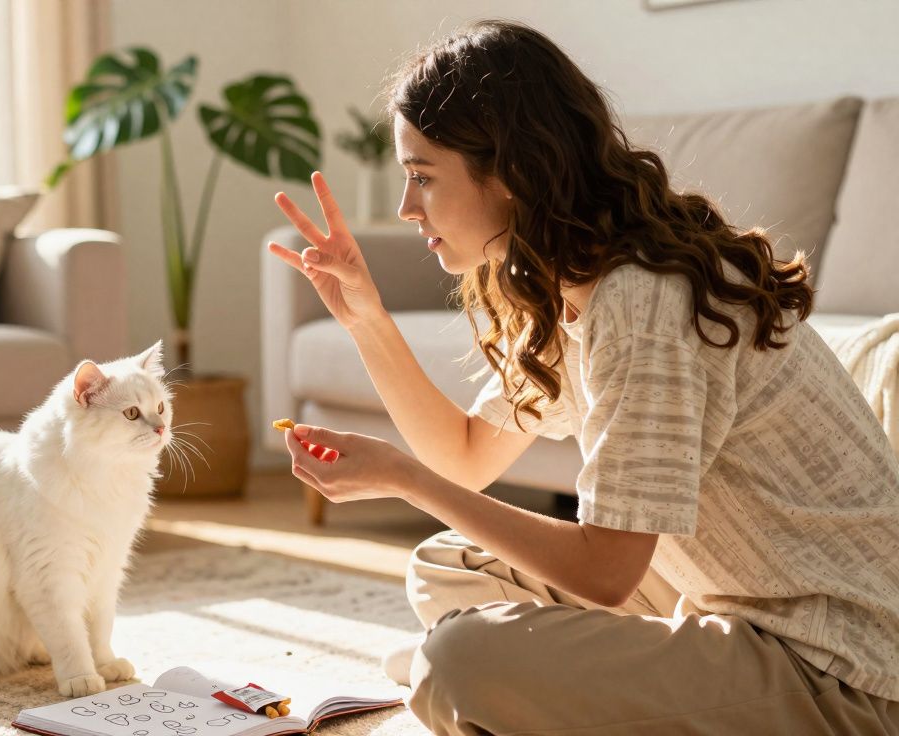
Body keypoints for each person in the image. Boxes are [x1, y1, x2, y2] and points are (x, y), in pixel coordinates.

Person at [267, 19, 899, 736]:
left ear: (505, 171)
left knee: (458, 663)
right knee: (449, 566)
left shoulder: (642, 300)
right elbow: (468, 457)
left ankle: (531, 683)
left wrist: (407, 480)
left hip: (844, 671)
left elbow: (606, 573)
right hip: (733, 598)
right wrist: (365, 318)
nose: (409, 209)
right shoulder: (576, 279)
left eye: (422, 178)